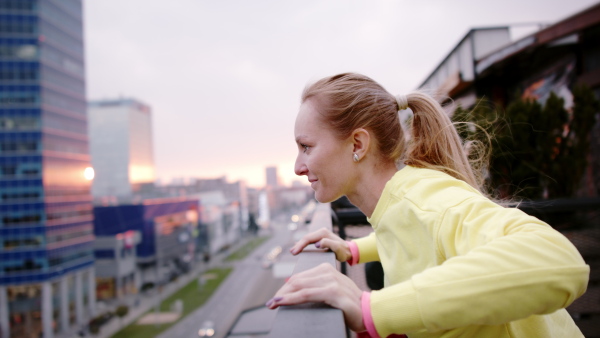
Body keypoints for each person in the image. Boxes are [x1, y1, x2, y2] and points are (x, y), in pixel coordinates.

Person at [265, 73, 590, 337]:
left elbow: (559, 260)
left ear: (358, 144)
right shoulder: (397, 207)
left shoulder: (429, 201)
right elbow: (412, 236)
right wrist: (353, 250)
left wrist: (372, 310)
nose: (298, 166)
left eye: (306, 147)